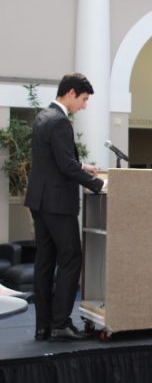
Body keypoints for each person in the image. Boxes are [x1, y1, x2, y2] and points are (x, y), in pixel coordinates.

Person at [24, 73, 104, 342]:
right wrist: (97, 184)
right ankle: (61, 323)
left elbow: (53, 161)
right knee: (71, 259)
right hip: (58, 204)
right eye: (83, 99)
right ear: (71, 93)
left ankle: (43, 326)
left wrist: (82, 167)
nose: (84, 105)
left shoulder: (42, 117)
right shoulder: (60, 122)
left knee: (44, 263)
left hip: (40, 202)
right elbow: (65, 166)